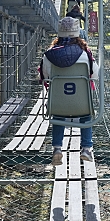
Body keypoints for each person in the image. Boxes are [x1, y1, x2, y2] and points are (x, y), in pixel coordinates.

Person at [39, 16, 95, 164]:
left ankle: (57, 148)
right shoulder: (85, 55)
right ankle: (86, 148)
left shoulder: (49, 55)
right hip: (81, 103)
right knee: (86, 114)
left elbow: (45, 76)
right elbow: (94, 75)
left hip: (58, 103)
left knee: (58, 114)